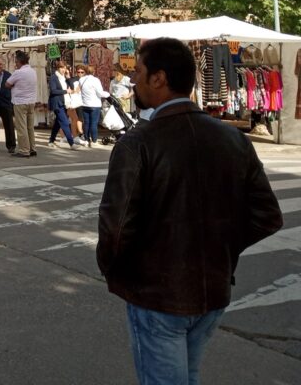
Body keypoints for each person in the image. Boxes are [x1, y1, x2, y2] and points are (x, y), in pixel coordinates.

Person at [97, 37, 282, 385]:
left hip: (158, 295)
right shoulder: (233, 139)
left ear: (159, 78)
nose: (133, 79)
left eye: (138, 71)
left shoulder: (138, 143)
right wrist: (221, 249)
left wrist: (117, 270)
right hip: (212, 290)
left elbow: (115, 228)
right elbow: (266, 215)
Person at [5, 50, 37, 158]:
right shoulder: (33, 71)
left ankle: (24, 150)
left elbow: (7, 84)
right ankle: (32, 148)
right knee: (29, 127)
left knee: (21, 127)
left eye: (16, 62)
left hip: (20, 102)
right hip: (31, 102)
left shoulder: (18, 72)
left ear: (19, 61)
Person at [46, 62, 77, 150]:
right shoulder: (53, 78)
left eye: (65, 68)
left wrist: (68, 77)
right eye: (61, 68)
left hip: (64, 103)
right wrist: (65, 91)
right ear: (57, 68)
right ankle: (72, 143)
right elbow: (53, 91)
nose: (63, 70)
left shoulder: (64, 78)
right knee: (65, 123)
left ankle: (51, 140)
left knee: (58, 123)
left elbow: (72, 87)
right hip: (57, 103)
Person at [76, 65, 108, 148]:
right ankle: (94, 141)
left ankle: (86, 140)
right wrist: (108, 94)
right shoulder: (95, 80)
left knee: (86, 123)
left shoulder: (81, 79)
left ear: (85, 71)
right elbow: (100, 93)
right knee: (93, 123)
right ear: (94, 72)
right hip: (95, 105)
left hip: (85, 104)